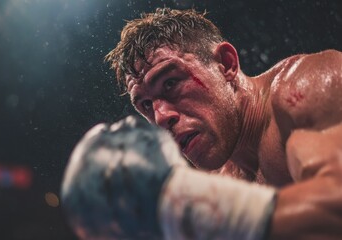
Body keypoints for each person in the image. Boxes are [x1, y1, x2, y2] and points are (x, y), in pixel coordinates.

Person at [62, 8, 342, 239]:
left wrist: (186, 209)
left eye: (170, 83)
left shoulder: (304, 91)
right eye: (146, 105)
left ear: (226, 64)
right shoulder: (221, 184)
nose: (160, 117)